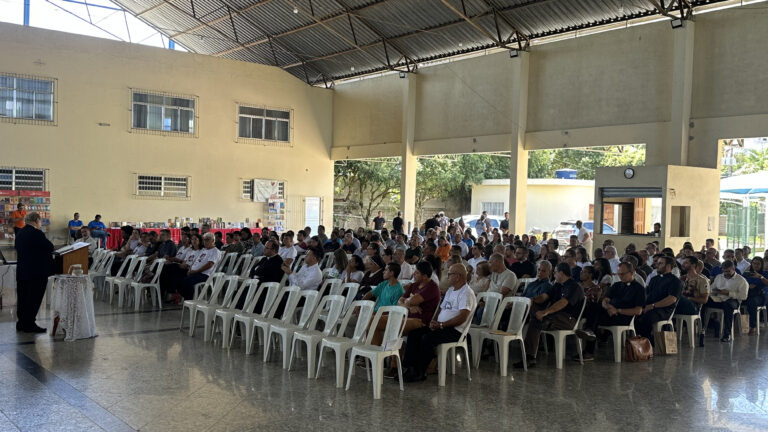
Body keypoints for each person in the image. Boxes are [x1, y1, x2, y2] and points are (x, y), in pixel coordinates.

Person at [402, 263, 476, 382]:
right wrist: (434, 321)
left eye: (450, 274)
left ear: (458, 276)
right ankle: (409, 368)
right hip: (441, 326)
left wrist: (442, 325)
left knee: (427, 338)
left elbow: (462, 317)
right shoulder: (451, 290)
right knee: (414, 334)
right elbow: (441, 309)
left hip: (455, 330)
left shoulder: (466, 293)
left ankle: (420, 371)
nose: (447, 277)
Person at [516, 263, 585, 368]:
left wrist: (545, 312)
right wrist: (532, 300)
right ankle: (529, 356)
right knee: (534, 312)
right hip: (554, 317)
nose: (554, 274)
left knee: (536, 320)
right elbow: (545, 296)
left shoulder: (574, 286)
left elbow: (563, 303)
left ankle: (529, 355)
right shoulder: (557, 285)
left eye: (555, 272)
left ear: (561, 273)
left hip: (567, 319)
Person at [577, 262, 644, 360]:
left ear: (632, 272)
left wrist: (618, 310)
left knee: (593, 319)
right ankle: (590, 335)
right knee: (593, 306)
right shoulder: (616, 285)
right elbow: (605, 300)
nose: (620, 276)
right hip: (609, 312)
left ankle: (589, 345)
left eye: (623, 274)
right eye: (619, 274)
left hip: (623, 317)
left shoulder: (639, 289)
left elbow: (638, 311)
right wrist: (608, 307)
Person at [14, 212, 54, 333]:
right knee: (33, 299)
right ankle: (29, 324)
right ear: (37, 220)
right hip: (36, 273)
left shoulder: (20, 232)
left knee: (23, 298)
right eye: (40, 221)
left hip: (22, 271)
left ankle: (21, 323)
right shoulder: (36, 233)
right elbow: (50, 247)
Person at [635, 256, 682, 345]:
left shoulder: (675, 281)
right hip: (650, 307)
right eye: (657, 263)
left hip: (663, 310)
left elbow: (672, 299)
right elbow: (647, 294)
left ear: (668, 266)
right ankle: (643, 341)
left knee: (644, 320)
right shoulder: (654, 279)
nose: (657, 265)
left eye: (660, 263)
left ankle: (648, 343)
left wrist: (653, 306)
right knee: (634, 315)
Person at [701, 260, 747, 342]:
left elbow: (743, 296)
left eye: (728, 271)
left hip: (733, 300)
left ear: (733, 268)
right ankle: (703, 328)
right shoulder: (719, 277)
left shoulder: (741, 280)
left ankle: (727, 334)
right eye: (724, 271)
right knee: (703, 301)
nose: (726, 273)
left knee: (728, 306)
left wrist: (729, 293)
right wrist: (714, 291)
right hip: (718, 298)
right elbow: (711, 289)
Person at [179, 233, 220, 300]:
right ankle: (187, 298)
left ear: (213, 241)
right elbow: (195, 261)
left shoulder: (215, 251)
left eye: (207, 240)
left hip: (204, 274)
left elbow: (209, 264)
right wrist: (190, 269)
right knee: (179, 279)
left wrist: (195, 271)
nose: (205, 242)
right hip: (195, 272)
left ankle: (189, 300)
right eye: (204, 240)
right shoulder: (204, 250)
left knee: (186, 281)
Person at [743, 256, 768, 335]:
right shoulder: (747, 274)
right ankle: (737, 325)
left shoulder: (764, 274)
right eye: (754, 263)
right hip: (747, 293)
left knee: (752, 302)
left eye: (758, 264)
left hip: (760, 296)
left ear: (761, 265)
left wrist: (760, 277)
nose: (756, 265)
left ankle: (752, 326)